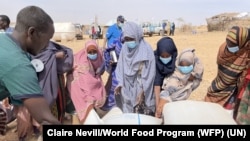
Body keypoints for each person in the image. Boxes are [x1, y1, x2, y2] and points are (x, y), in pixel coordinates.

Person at [0, 5, 60, 137]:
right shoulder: (18, 64)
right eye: (47, 39)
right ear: (31, 33)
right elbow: (46, 120)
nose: (47, 45)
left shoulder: (4, 40)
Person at [15, 41, 74, 139]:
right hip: (35, 83)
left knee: (55, 106)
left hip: (54, 81)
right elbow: (33, 59)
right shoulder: (27, 47)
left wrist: (54, 57)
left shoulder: (50, 45)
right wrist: (53, 57)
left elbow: (67, 55)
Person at [204, 26, 250, 121]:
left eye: (233, 44)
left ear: (243, 43)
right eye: (228, 42)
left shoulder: (246, 52)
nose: (229, 46)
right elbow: (221, 68)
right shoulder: (223, 48)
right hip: (219, 84)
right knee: (208, 111)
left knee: (226, 116)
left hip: (233, 90)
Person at [114, 21, 156, 115]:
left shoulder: (146, 50)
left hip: (141, 87)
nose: (129, 41)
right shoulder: (124, 48)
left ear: (137, 36)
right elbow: (120, 67)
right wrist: (120, 83)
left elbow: (149, 74)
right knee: (128, 115)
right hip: (126, 87)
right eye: (126, 39)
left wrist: (143, 91)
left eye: (131, 39)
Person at [66, 40, 106, 124]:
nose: (92, 54)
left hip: (87, 86)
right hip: (77, 89)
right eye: (90, 52)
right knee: (85, 109)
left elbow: (98, 71)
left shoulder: (99, 58)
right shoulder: (82, 63)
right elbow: (87, 83)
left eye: (94, 52)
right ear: (86, 52)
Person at [155, 48, 204, 118]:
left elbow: (198, 75)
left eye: (188, 65)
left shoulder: (192, 78)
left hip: (178, 108)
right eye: (182, 65)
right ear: (178, 64)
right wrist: (162, 103)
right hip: (167, 107)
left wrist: (192, 76)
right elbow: (167, 91)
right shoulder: (174, 77)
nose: (185, 68)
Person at [153, 37, 178, 108]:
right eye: (162, 56)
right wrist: (158, 107)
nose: (165, 58)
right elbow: (156, 85)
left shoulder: (177, 62)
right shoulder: (155, 62)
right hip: (156, 93)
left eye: (167, 56)